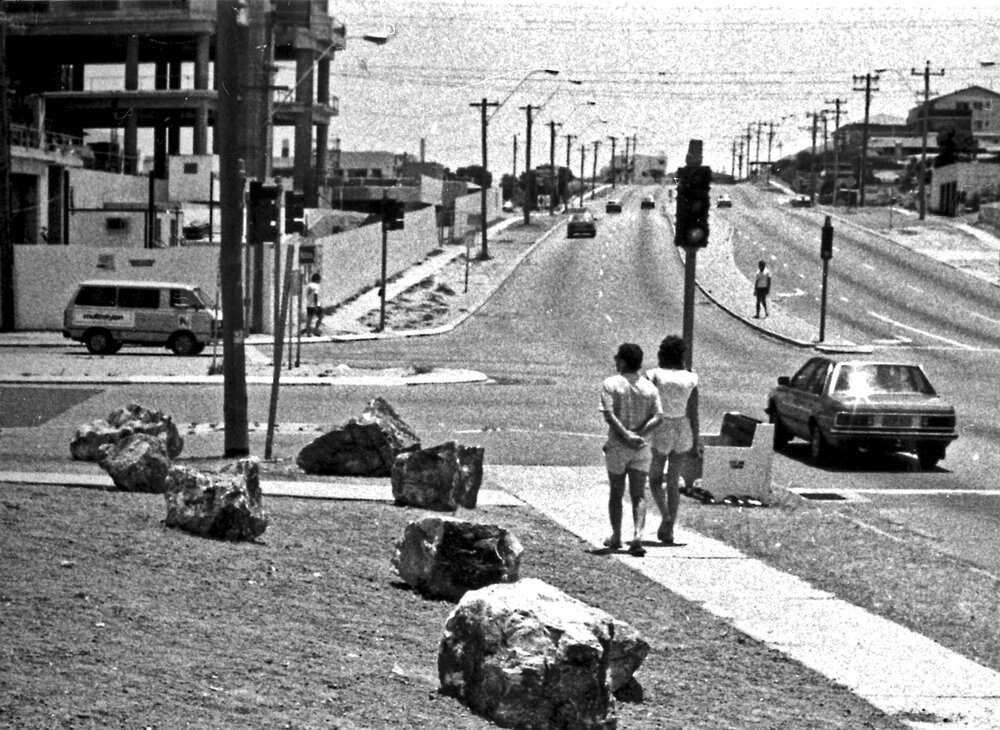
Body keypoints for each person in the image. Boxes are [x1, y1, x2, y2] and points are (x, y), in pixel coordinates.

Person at [599, 342, 663, 557]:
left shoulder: (610, 384)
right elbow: (658, 416)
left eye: (618, 358)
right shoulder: (649, 387)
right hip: (641, 446)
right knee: (639, 493)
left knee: (616, 492)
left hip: (618, 445)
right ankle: (637, 535)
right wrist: (639, 434)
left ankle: (616, 535)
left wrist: (626, 434)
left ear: (623, 361)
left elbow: (609, 414)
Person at [645, 335, 699, 545]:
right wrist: (696, 439)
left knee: (656, 478)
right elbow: (693, 411)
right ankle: (669, 529)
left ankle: (665, 516)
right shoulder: (691, 378)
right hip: (683, 426)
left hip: (662, 427)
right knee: (674, 481)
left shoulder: (654, 375)